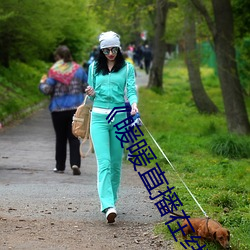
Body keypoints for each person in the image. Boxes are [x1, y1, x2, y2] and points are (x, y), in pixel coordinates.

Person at [85, 31, 138, 223]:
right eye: (106, 50)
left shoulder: (127, 68)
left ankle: (112, 201)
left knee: (116, 164)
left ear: (119, 48)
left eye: (114, 49)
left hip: (120, 118)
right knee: (104, 162)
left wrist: (133, 103)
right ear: (101, 50)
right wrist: (90, 92)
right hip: (98, 118)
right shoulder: (94, 68)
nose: (110, 53)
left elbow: (131, 90)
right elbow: (91, 96)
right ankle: (107, 205)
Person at [39, 45, 88, 175]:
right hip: (75, 109)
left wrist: (42, 83)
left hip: (58, 109)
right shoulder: (79, 70)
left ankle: (60, 166)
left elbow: (47, 90)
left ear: (58, 57)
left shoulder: (54, 71)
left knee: (60, 138)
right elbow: (86, 87)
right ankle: (75, 163)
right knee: (74, 137)